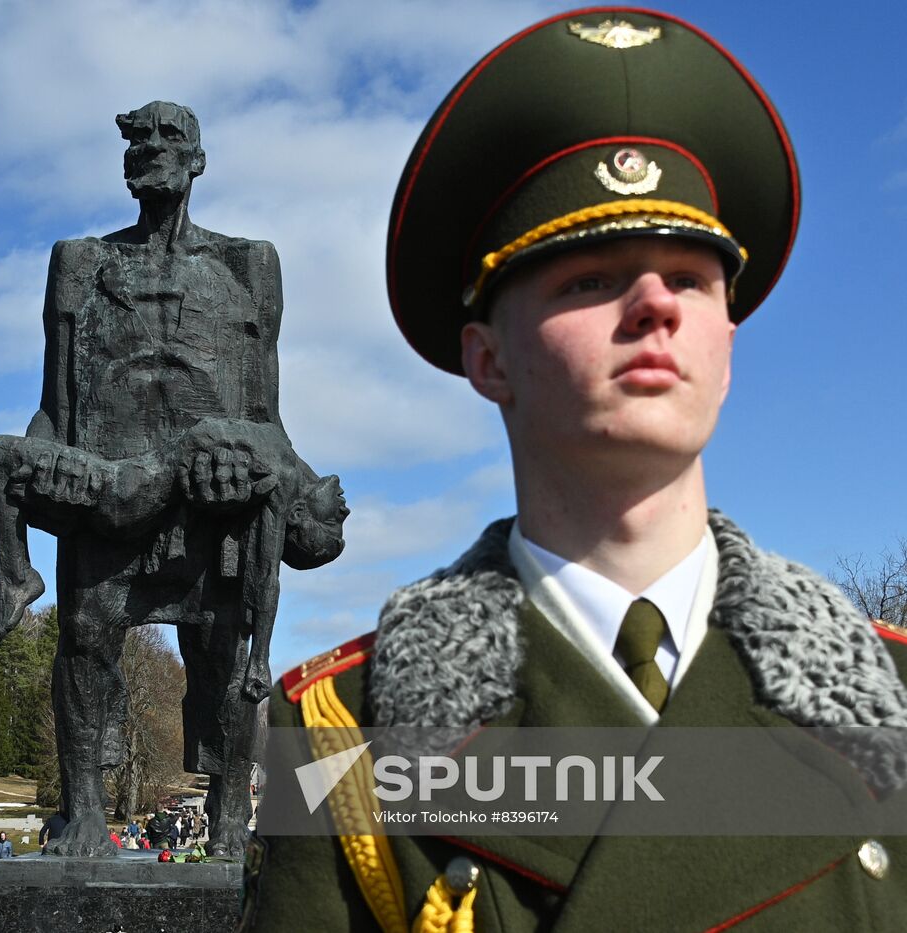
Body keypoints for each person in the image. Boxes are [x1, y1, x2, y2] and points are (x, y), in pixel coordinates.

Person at [240, 7, 907, 931]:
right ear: (488, 359)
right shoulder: (343, 730)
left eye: (690, 277)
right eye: (588, 277)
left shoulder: (888, 699)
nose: (652, 304)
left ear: (727, 338)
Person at [0, 99, 346, 859]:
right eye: (136, 139)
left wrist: (304, 490)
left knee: (224, 656)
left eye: (167, 136)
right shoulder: (81, 261)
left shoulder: (250, 264)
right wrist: (36, 472)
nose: (148, 148)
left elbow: (265, 409)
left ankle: (230, 818)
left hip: (218, 502)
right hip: (110, 490)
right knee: (84, 641)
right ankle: (84, 811)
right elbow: (55, 404)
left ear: (197, 159)